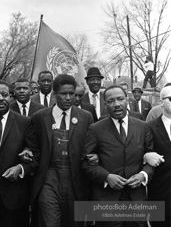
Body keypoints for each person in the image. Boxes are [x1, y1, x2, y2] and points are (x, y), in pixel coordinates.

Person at [82, 85, 154, 227]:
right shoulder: (95, 129)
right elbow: (85, 163)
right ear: (105, 105)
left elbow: (151, 159)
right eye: (111, 101)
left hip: (136, 200)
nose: (116, 104)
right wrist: (107, 177)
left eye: (120, 99)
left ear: (127, 100)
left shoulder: (143, 127)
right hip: (107, 200)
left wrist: (143, 175)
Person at [28, 74, 93, 227]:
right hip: (49, 179)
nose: (69, 98)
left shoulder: (86, 117)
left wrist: (94, 155)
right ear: (54, 94)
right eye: (64, 94)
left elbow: (90, 146)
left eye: (72, 93)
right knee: (49, 222)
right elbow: (33, 148)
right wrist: (27, 154)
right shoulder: (39, 117)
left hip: (75, 180)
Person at [0, 80, 38, 227]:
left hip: (13, 198)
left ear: (11, 97)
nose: (1, 98)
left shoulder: (24, 122)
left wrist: (20, 168)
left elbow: (35, 155)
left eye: (4, 95)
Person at [146, 85, 171, 227]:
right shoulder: (149, 127)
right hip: (160, 195)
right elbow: (141, 152)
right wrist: (145, 156)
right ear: (161, 102)